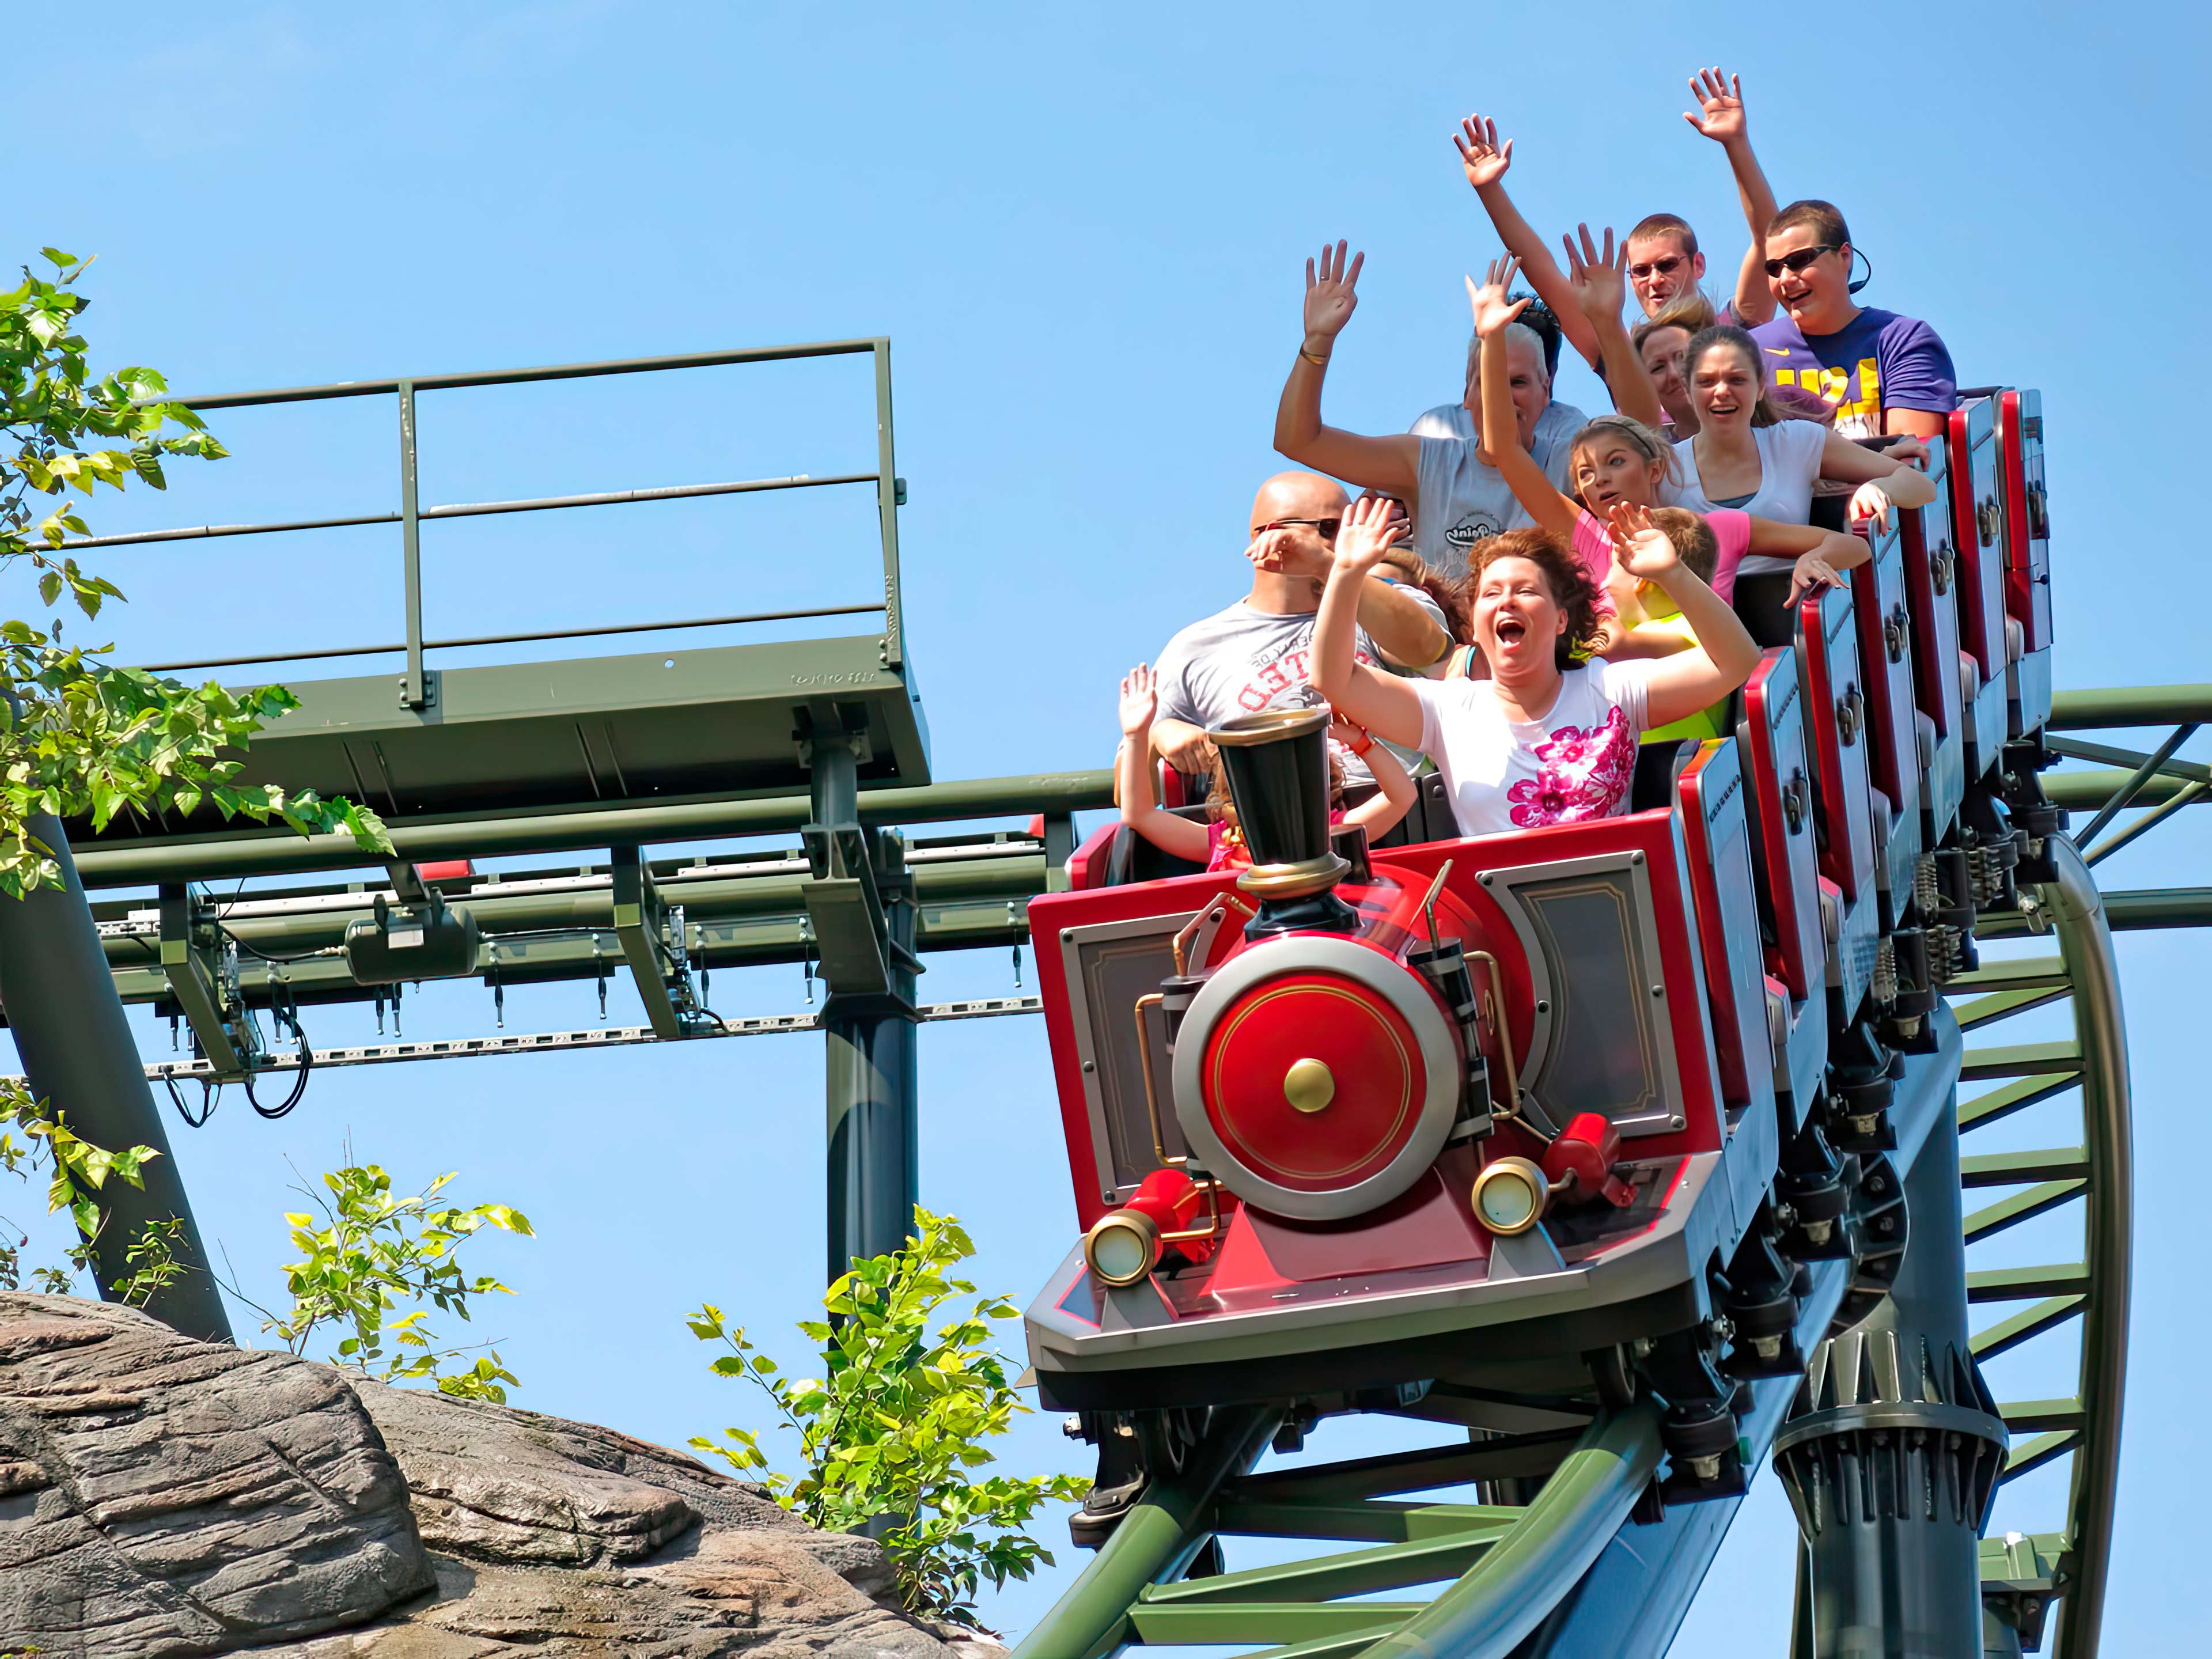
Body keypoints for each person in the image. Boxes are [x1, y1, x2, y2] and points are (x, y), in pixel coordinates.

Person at [1312, 497, 1759, 836]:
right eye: (1491, 594)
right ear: (1479, 626)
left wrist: (1674, 574)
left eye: (1526, 590)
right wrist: (1346, 574)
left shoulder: (1611, 688)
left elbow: (1737, 662)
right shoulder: (1446, 710)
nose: (1506, 600)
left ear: (1561, 618)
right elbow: (1333, 681)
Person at [1468, 257, 1868, 624]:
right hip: (1622, 700)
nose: (1601, 479)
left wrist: (1812, 560)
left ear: (1656, 468)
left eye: (1616, 462)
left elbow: (1855, 548)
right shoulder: (1589, 540)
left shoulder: (1717, 529)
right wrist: (1492, 341)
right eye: (1586, 474)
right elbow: (1506, 451)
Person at [1274, 241, 1584, 576]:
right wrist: (1317, 341)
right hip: (1439, 629)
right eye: (1489, 382)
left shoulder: (1572, 465)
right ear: (1466, 396)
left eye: (1518, 382)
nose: (1503, 397)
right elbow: (1297, 440)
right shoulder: (1427, 462)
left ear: (1547, 391)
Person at [1451, 69, 1781, 380]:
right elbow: (1545, 275)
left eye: (1667, 265)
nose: (1655, 281)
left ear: (1698, 264)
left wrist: (1737, 143)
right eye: (1640, 271)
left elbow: (1771, 241)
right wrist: (1490, 191)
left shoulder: (1740, 330)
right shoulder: (1621, 356)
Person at [1144, 472, 1450, 781]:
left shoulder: (1384, 597)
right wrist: (1158, 736)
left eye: (1355, 527)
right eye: (1333, 528)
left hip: (1407, 814)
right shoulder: (1196, 646)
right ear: (1272, 535)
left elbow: (1430, 650)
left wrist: (1331, 566)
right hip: (1274, 823)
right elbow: (1128, 786)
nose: (1351, 540)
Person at [1115, 665, 1414, 872]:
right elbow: (1139, 815)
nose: (1276, 782)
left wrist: (1359, 741)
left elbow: (1401, 797)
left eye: (1293, 767)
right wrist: (1136, 735)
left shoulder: (1333, 832)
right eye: (1260, 772)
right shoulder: (1222, 843)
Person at [1749, 199, 1958, 440]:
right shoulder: (1750, 351)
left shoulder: (1905, 340)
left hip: (1881, 479)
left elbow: (1912, 458)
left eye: (1799, 260)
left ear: (1845, 256)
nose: (1784, 279)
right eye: (1774, 269)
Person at [1631, 291, 1717, 436]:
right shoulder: (1652, 455)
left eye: (1684, 358)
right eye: (1658, 368)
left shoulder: (1764, 436)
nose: (1674, 373)